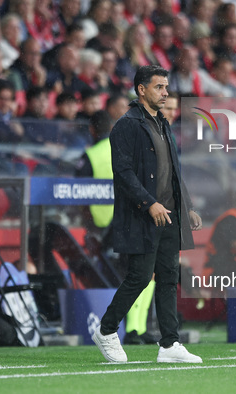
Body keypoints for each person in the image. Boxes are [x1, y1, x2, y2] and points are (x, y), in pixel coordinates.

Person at [91, 65, 203, 364]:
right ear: (141, 89)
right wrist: (148, 203)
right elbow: (123, 173)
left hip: (169, 213)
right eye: (159, 87)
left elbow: (174, 171)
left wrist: (187, 205)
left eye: (166, 87)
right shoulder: (127, 125)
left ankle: (169, 344)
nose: (165, 93)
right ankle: (106, 329)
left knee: (168, 277)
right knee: (139, 277)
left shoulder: (163, 123)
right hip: (145, 214)